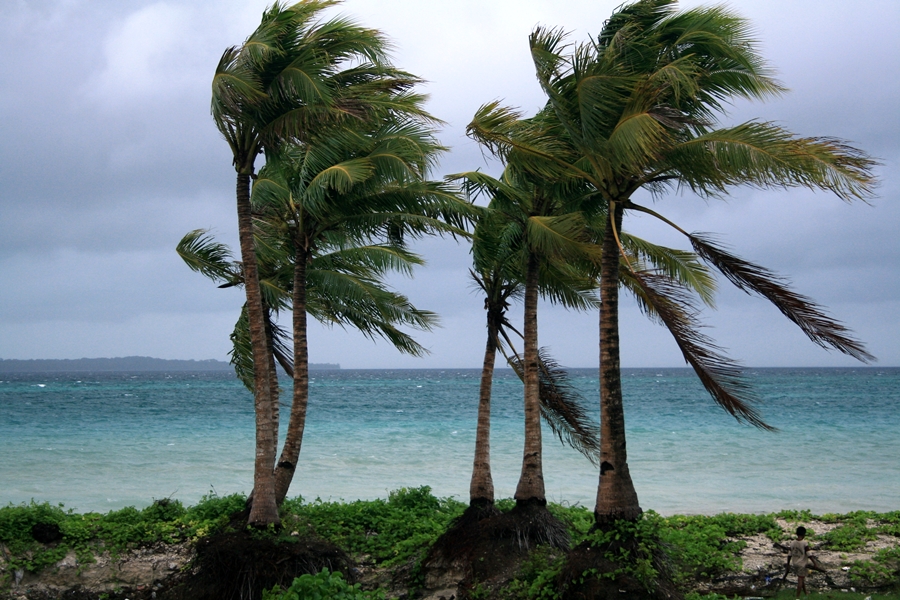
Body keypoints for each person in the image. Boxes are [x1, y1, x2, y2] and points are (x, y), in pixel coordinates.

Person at [784, 526, 824, 597]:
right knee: (800, 580)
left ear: (796, 534)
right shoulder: (804, 543)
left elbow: (789, 554)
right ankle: (797, 597)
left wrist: (788, 564)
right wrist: (815, 563)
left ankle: (806, 593)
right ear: (804, 534)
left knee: (801, 578)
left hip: (795, 563)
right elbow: (809, 554)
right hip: (802, 564)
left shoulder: (792, 543)